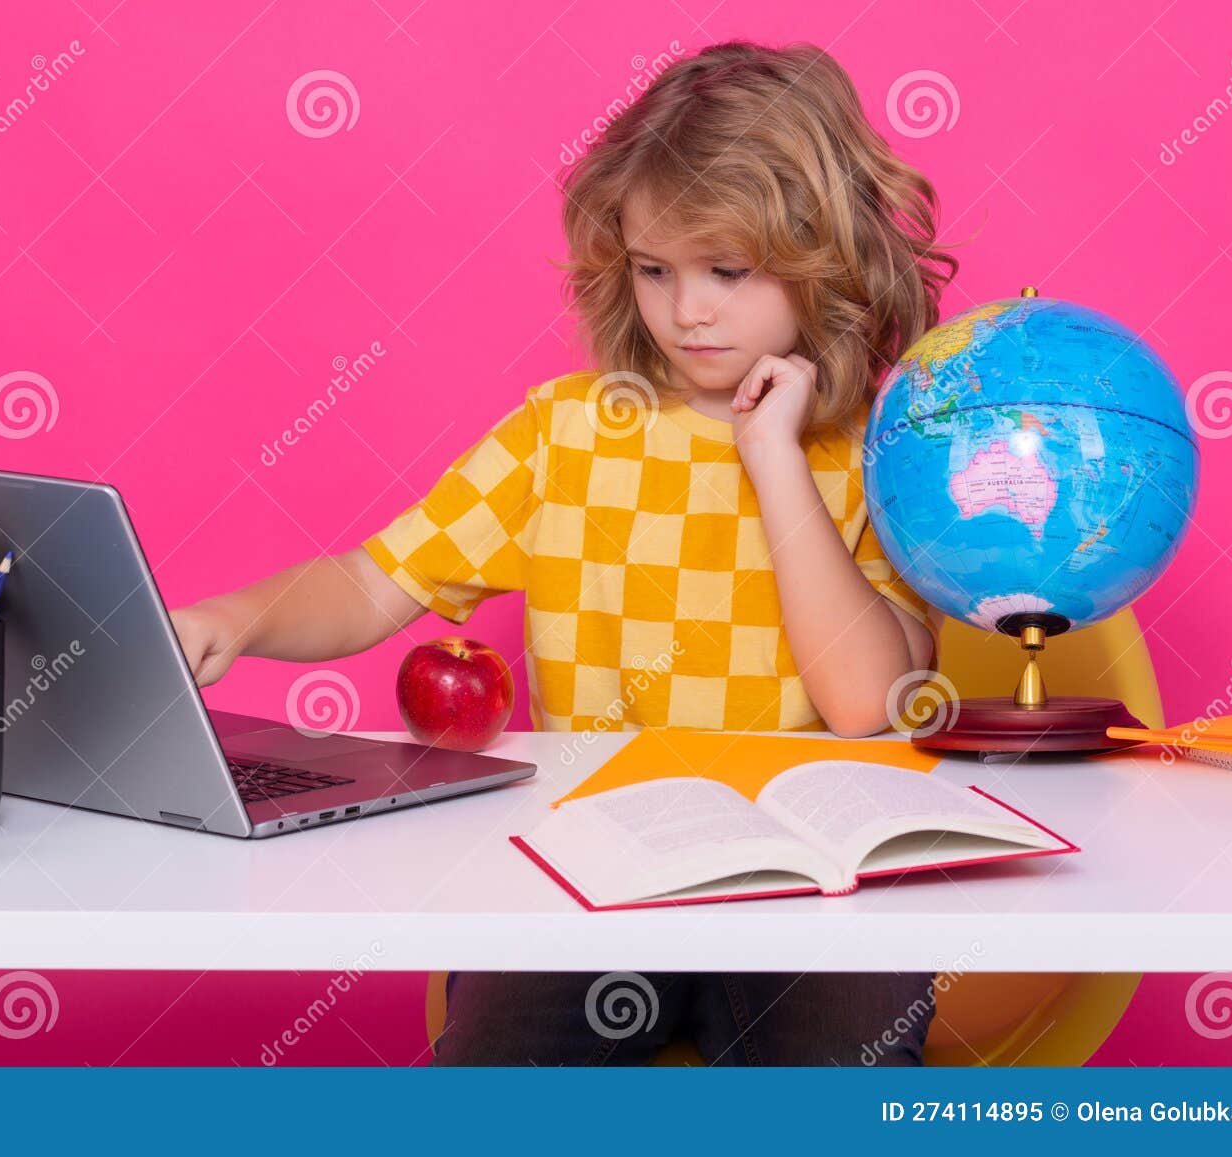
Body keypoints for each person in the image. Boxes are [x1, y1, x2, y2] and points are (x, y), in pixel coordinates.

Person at [169, 39, 957, 1065]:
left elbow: (866, 702)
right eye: (653, 270)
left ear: (825, 258)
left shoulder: (877, 451)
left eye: (726, 269)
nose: (686, 311)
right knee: (495, 1075)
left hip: (809, 878)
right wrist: (240, 616)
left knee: (846, 1073)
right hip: (593, 856)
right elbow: (372, 581)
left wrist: (773, 459)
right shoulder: (568, 430)